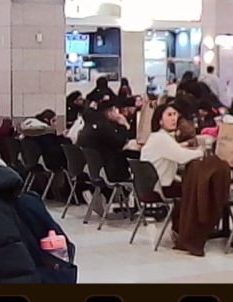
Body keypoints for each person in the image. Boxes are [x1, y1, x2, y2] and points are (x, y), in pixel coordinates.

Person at [140, 104, 205, 232]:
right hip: (160, 188)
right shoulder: (161, 138)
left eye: (175, 115)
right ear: (160, 120)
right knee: (199, 189)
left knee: (190, 184)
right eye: (169, 115)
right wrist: (201, 152)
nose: (174, 118)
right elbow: (182, 157)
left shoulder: (157, 137)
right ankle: (192, 229)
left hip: (149, 186)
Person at [78, 99, 133, 185]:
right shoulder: (103, 126)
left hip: (97, 169)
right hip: (111, 170)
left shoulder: (91, 126)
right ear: (110, 112)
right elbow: (119, 141)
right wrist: (125, 125)